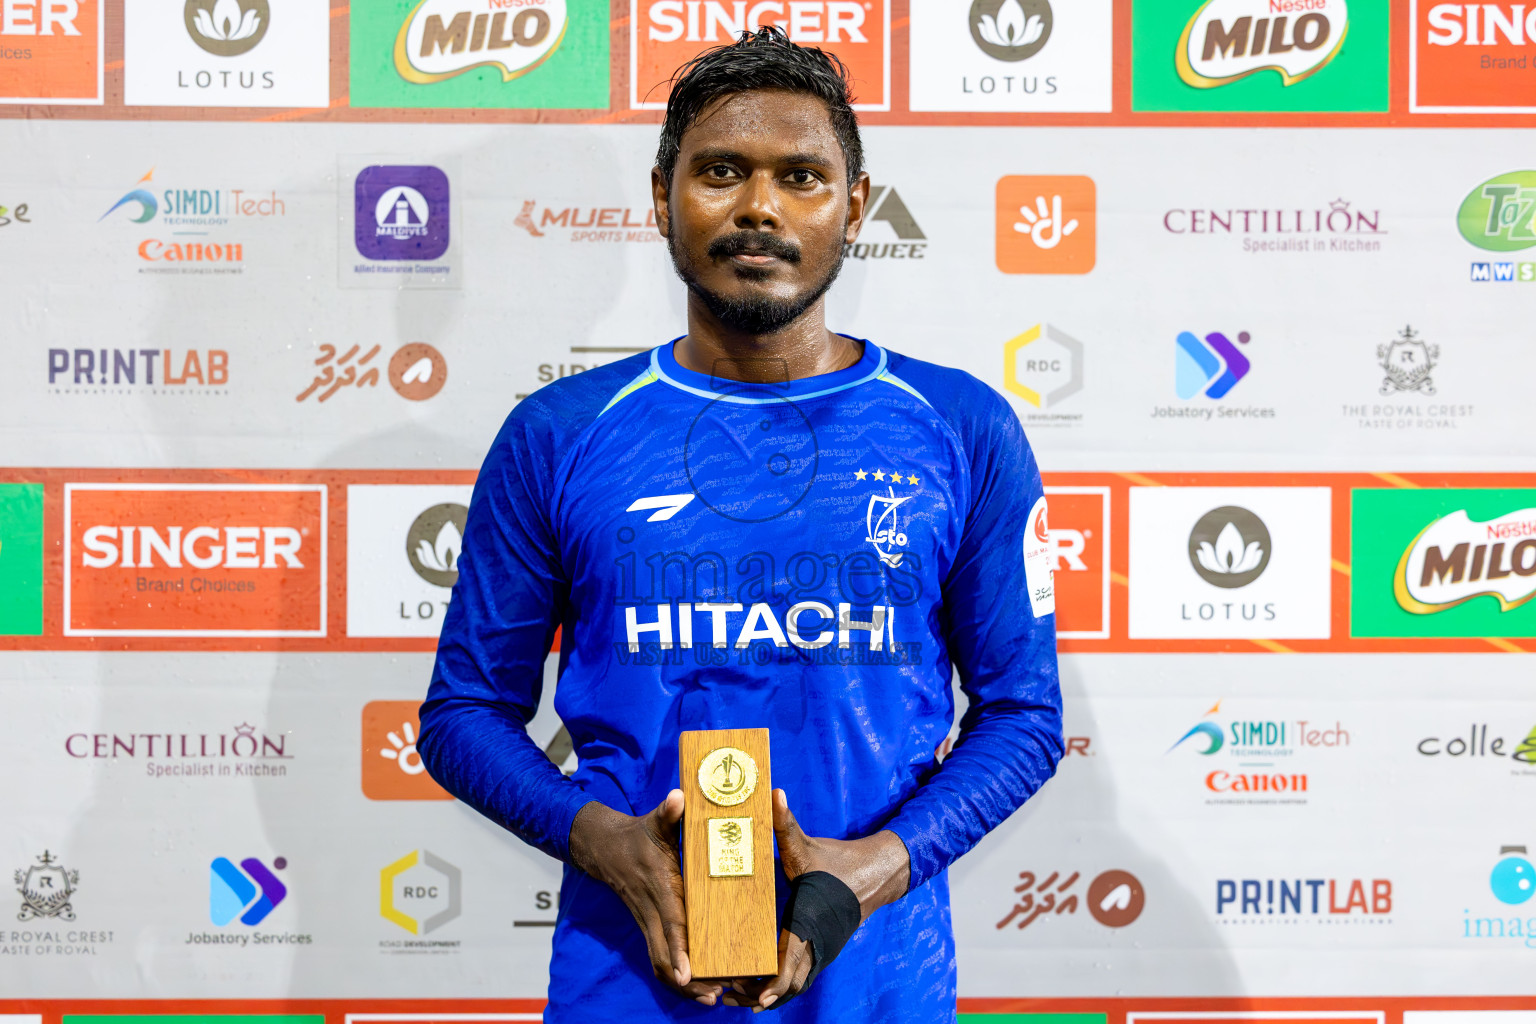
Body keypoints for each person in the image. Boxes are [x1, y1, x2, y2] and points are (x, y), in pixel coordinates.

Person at [418, 27, 1063, 1023]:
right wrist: (598, 839)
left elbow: (1024, 717)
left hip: (878, 988)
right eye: (722, 171)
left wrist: (874, 867)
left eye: (800, 176)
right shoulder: (558, 434)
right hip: (624, 988)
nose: (759, 205)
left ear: (853, 206)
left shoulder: (963, 428)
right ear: (661, 195)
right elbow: (462, 715)